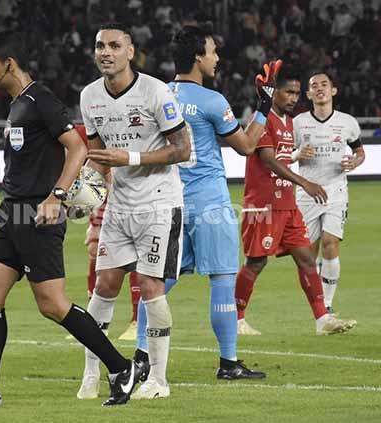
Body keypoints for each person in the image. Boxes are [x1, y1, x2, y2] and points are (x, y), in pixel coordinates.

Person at [0, 30, 142, 409]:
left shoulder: (40, 100)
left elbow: (77, 147)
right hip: (10, 211)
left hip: (37, 214)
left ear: (9, 63)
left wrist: (57, 196)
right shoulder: (18, 103)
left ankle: (120, 368)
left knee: (52, 303)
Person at [131, 25, 268, 380]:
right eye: (212, 51)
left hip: (170, 201)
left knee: (159, 283)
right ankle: (229, 363)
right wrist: (264, 108)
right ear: (197, 56)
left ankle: (142, 356)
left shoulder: (157, 94)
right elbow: (247, 146)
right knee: (223, 278)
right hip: (209, 201)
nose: (217, 58)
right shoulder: (212, 100)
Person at [76, 22, 192, 400]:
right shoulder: (89, 96)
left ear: (130, 52)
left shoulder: (156, 92)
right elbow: (97, 159)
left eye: (113, 45)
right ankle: (90, 375)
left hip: (159, 202)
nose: (105, 52)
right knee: (104, 284)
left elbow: (182, 149)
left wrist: (132, 156)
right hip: (120, 205)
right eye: (99, 46)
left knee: (151, 287)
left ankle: (159, 381)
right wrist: (82, 199)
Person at [233, 63, 357, 336]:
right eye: (288, 92)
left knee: (306, 258)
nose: (293, 98)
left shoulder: (291, 121)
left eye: (296, 93)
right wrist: (305, 182)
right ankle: (236, 319)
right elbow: (268, 160)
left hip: (287, 206)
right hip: (263, 205)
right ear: (274, 92)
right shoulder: (261, 120)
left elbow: (286, 158)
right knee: (256, 262)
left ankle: (322, 319)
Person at [292, 70, 366, 314]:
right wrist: (296, 155)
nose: (320, 88)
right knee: (306, 255)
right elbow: (281, 156)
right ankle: (317, 303)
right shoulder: (298, 123)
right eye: (315, 85)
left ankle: (327, 304)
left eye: (325, 85)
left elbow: (360, 151)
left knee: (330, 242)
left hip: (336, 190)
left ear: (333, 91)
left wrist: (355, 162)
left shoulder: (347, 122)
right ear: (308, 94)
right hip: (306, 193)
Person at [84, 202, 141, 340]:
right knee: (95, 252)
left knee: (135, 258)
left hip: (132, 206)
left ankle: (137, 321)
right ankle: (90, 323)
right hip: (103, 205)